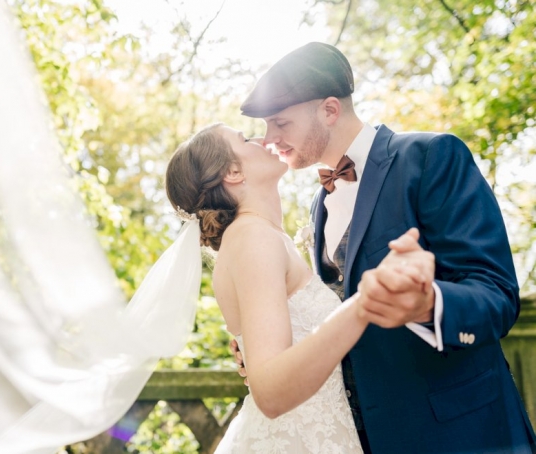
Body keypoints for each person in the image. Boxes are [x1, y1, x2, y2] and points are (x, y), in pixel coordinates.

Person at [234, 41, 536, 453]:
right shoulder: (318, 204)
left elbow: (497, 294)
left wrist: (430, 304)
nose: (269, 139)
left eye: (280, 123)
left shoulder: (431, 157)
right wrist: (270, 343)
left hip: (464, 433)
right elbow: (337, 313)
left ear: (328, 109)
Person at [164, 123, 432, 452]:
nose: (262, 139)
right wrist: (365, 302)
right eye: (245, 139)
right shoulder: (252, 238)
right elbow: (271, 391)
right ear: (233, 171)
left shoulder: (263, 235)